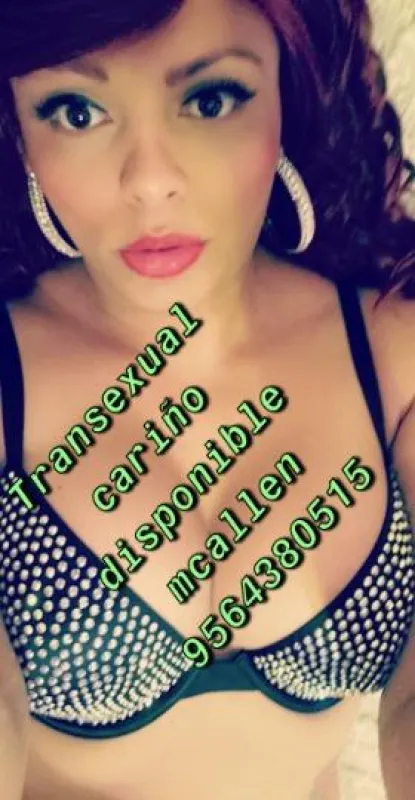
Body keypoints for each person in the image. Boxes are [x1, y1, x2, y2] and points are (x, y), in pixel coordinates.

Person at [0, 0, 414, 798]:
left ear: (287, 96)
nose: (150, 181)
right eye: (76, 112)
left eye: (210, 98)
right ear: (20, 132)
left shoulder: (391, 354)